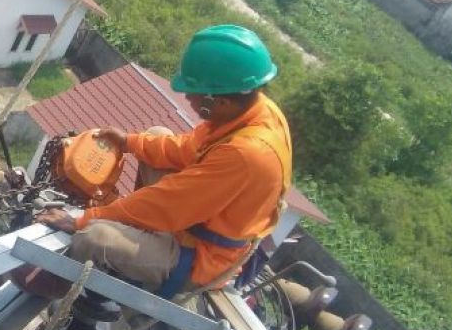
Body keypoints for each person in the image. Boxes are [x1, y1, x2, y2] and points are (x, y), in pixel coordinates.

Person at [34, 24, 293, 298]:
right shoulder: (252, 112)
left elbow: (165, 204)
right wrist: (130, 142)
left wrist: (83, 220)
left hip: (199, 257)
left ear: (222, 102)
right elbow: (187, 148)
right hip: (195, 218)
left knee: (94, 238)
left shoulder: (247, 154)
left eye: (194, 93)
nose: (188, 97)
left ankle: (54, 290)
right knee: (157, 136)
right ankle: (132, 227)